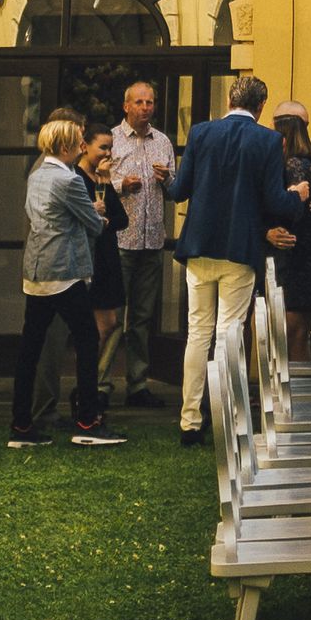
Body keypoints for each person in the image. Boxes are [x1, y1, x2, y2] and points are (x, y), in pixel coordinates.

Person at [166, 74, 296, 446]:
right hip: (238, 248)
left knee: (198, 333)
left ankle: (190, 420)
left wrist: (166, 179)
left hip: (198, 245)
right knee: (229, 334)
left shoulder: (200, 133)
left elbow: (179, 191)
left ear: (228, 101)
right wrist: (297, 197)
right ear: (260, 106)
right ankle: (229, 417)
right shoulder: (268, 140)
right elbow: (274, 200)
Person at [9, 113, 119, 449]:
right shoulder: (68, 181)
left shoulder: (39, 175)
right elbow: (92, 224)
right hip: (65, 271)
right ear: (68, 146)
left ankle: (21, 425)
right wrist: (99, 212)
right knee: (87, 339)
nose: (82, 145)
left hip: (37, 269)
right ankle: (87, 421)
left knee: (30, 346)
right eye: (78, 141)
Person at [99, 81, 178, 409]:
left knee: (143, 318)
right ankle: (101, 385)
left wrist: (167, 180)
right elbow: (97, 181)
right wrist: (120, 184)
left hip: (151, 241)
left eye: (151, 102)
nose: (146, 107)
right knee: (113, 318)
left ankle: (138, 385)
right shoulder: (112, 141)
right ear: (126, 106)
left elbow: (175, 191)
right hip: (120, 241)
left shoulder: (162, 142)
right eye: (140, 102)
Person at [270, 103, 311, 355]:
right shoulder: (307, 164)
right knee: (299, 328)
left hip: (299, 255)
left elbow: (296, 210)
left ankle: (297, 391)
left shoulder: (294, 165)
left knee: (295, 330)